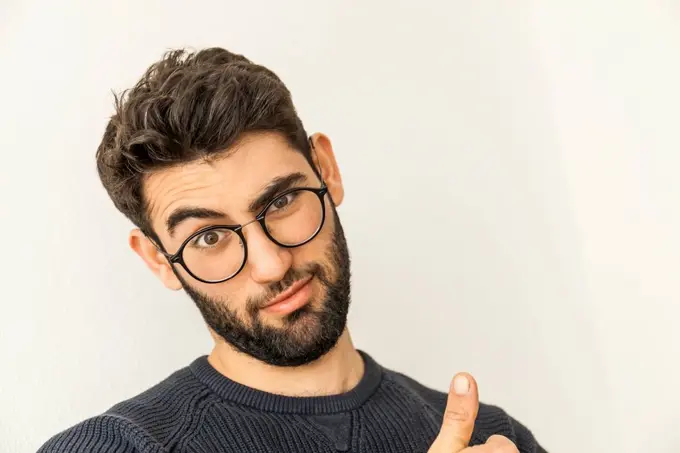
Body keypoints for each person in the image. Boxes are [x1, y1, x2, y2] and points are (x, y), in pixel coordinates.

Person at [39, 47, 547, 453]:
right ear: (157, 260)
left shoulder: (491, 439)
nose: (270, 264)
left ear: (326, 169)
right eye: (208, 237)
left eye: (281, 201)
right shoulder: (113, 448)